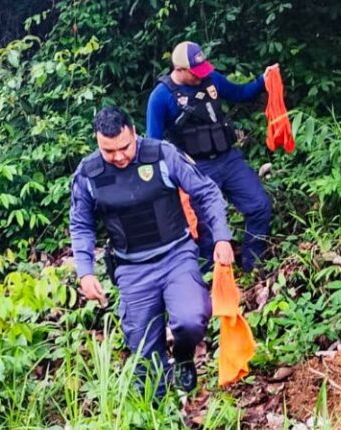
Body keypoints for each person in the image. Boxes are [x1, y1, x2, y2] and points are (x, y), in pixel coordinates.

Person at [69, 106, 234, 397]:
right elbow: (81, 224)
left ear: (134, 133)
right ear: (97, 142)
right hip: (131, 267)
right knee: (143, 347)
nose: (119, 157)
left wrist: (221, 237)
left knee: (191, 319)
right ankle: (158, 409)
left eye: (124, 147)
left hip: (176, 256)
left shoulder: (162, 155)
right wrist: (85, 272)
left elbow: (206, 192)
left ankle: (183, 356)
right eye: (109, 151)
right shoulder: (89, 173)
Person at [146, 41, 276, 272]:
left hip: (228, 158)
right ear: (180, 69)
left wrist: (262, 80)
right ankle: (211, 280)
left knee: (260, 206)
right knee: (205, 229)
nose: (201, 76)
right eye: (195, 72)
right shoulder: (161, 96)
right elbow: (153, 143)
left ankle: (253, 266)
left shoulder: (211, 79)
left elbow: (240, 93)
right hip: (196, 169)